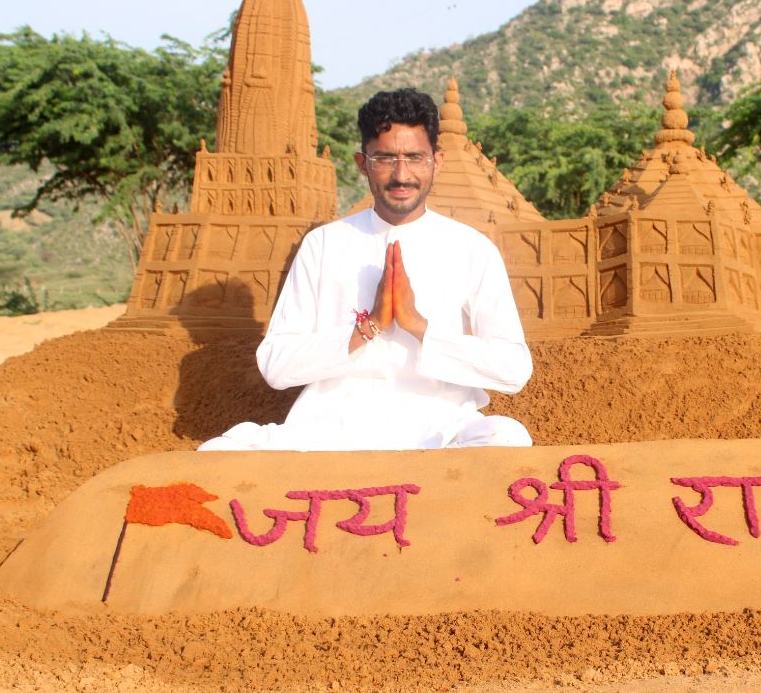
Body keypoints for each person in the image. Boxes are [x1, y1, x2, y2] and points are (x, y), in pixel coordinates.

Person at [198, 88, 534, 451]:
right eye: (386, 158)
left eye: (415, 158)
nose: (401, 175)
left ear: (437, 161)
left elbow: (513, 369)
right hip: (329, 431)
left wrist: (416, 326)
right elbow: (276, 365)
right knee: (218, 452)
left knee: (507, 438)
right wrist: (369, 326)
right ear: (363, 163)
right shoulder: (324, 244)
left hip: (440, 430)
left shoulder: (471, 248)